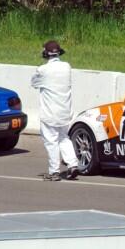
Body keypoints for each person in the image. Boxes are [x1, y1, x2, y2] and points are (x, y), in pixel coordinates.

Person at [31, 40, 79, 181]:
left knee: (51, 141)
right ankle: (73, 164)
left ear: (46, 53)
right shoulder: (67, 67)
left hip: (50, 113)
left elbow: (34, 83)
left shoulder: (43, 70)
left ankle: (54, 172)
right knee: (64, 138)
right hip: (65, 111)